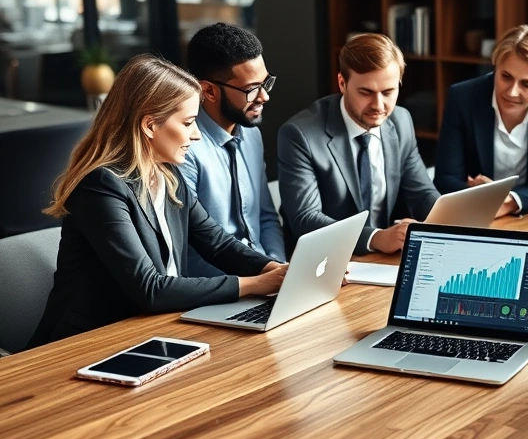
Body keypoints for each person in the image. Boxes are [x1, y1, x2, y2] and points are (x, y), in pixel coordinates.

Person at [29, 54, 288, 347]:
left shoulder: (168, 176)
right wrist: (254, 284)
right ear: (150, 126)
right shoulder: (100, 186)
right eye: (189, 122)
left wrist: (274, 270)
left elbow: (218, 243)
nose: (196, 135)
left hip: (153, 330)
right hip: (86, 344)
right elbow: (149, 288)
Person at [278, 33, 439, 256]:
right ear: (342, 83)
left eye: (388, 92)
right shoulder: (299, 134)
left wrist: (448, 221)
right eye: (366, 92)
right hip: (323, 261)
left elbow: (421, 192)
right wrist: (377, 238)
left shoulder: (401, 120)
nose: (379, 105)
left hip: (383, 260)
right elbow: (306, 219)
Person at [434, 25, 528, 216]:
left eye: (526, 84)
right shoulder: (463, 97)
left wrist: (510, 201)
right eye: (506, 77)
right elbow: (446, 178)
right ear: (496, 65)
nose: (512, 92)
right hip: (475, 213)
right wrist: (485, 196)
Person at [180, 23, 285, 276]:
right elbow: (194, 245)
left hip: (265, 277)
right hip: (222, 288)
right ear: (208, 90)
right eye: (251, 89)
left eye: (266, 83)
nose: (264, 97)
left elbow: (266, 218)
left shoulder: (251, 135)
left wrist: (278, 268)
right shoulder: (184, 149)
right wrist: (261, 278)